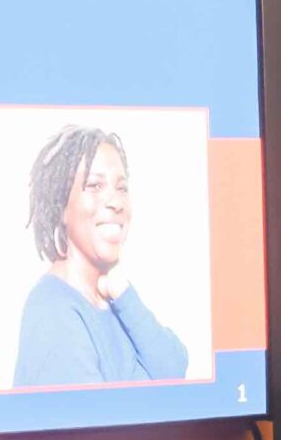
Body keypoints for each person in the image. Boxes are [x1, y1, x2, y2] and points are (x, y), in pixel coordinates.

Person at [10, 124, 188, 387]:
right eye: (94, 185)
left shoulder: (115, 299)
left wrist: (125, 295)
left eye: (122, 188)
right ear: (60, 205)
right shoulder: (53, 313)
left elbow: (174, 369)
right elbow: (99, 421)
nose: (116, 202)